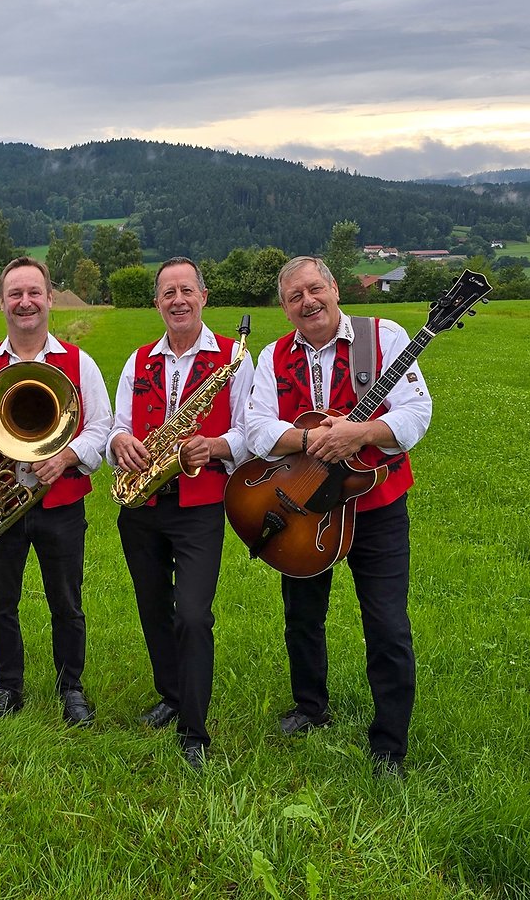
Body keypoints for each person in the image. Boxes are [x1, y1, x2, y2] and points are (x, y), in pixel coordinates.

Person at [245, 256, 432, 779]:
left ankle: (389, 744)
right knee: (302, 616)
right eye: (294, 297)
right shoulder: (274, 356)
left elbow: (416, 413)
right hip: (303, 505)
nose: (307, 302)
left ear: (334, 289)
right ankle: (310, 707)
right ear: (285, 308)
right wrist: (309, 439)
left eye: (314, 289)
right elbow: (257, 428)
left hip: (377, 506)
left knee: (387, 624)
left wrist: (360, 433)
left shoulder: (382, 337)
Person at [0, 257, 111, 726]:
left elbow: (102, 426)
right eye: (15, 294)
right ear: (2, 302)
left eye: (33, 293)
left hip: (61, 504)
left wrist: (67, 457)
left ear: (49, 298)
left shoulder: (79, 363)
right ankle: (8, 686)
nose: (25, 302)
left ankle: (71, 688)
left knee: (67, 602)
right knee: (0, 602)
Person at [107, 256, 253, 771]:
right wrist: (120, 441)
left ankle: (194, 730)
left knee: (192, 614)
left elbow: (250, 432)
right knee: (153, 608)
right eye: (168, 292)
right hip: (143, 503)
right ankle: (170, 695)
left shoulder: (234, 358)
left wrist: (213, 446)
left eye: (186, 290)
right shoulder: (138, 359)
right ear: (157, 303)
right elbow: (117, 425)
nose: (178, 300)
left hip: (199, 505)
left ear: (203, 297)